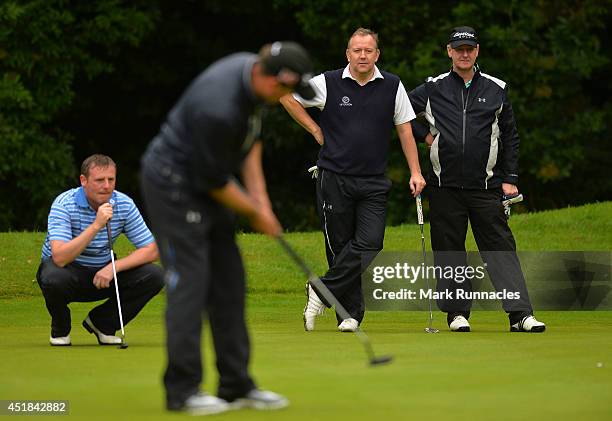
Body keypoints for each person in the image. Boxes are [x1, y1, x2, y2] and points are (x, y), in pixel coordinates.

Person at [140, 41, 315, 415]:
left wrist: (261, 201)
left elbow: (250, 145)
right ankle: (182, 391)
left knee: (229, 283)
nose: (285, 97)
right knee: (190, 283)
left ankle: (235, 385)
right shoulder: (217, 108)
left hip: (207, 181)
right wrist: (255, 212)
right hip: (173, 183)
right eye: (283, 89)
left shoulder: (253, 76)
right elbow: (215, 182)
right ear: (266, 77)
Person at [280, 28, 426, 333]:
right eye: (357, 50)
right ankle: (349, 316)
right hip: (334, 177)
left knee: (371, 242)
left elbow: (404, 130)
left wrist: (415, 171)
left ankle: (320, 290)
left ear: (377, 54)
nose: (363, 56)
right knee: (340, 248)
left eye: (368, 51)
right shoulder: (328, 82)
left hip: (373, 179)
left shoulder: (392, 85)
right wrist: (314, 130)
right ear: (348, 54)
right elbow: (287, 96)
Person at [408, 26, 546, 333]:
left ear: (477, 51)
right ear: (449, 52)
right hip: (445, 187)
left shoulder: (496, 88)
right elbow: (400, 109)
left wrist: (510, 178)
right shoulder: (434, 87)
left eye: (469, 48)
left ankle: (520, 314)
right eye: (459, 49)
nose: (464, 53)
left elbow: (510, 136)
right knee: (449, 249)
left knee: (500, 249)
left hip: (486, 187)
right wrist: (426, 136)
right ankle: (457, 314)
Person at [37, 154, 164, 346]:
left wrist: (114, 267)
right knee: (53, 277)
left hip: (103, 275)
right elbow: (60, 257)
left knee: (155, 275)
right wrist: (96, 225)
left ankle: (103, 323)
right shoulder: (64, 204)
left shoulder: (123, 204)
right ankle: (60, 328)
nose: (106, 186)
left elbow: (152, 250)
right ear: (83, 181)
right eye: (99, 180)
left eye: (111, 179)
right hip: (68, 273)